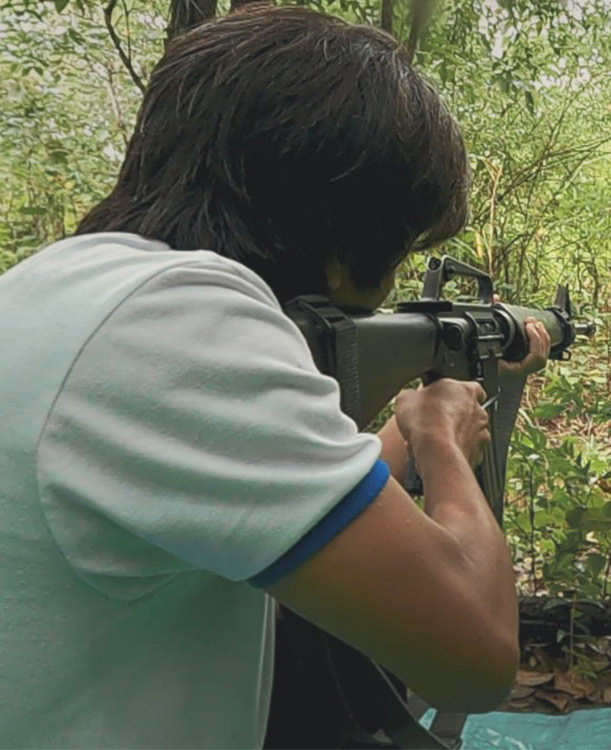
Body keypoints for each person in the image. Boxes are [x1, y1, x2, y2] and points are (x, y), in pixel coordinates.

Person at [0, 5, 550, 747]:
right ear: (348, 236)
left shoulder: (67, 289)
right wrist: (444, 443)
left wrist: (399, 435)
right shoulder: (183, 323)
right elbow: (476, 659)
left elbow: (263, 506)